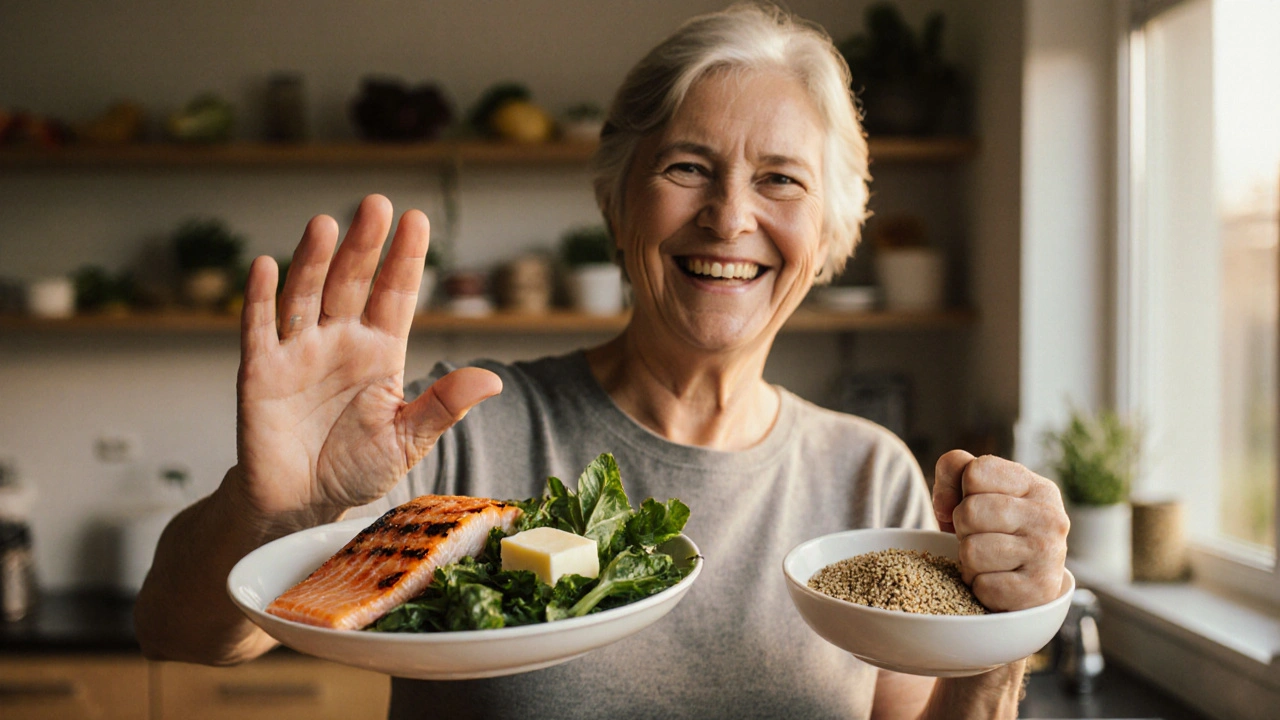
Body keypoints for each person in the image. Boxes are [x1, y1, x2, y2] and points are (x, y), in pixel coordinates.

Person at [134, 4, 1069, 719]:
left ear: (831, 232)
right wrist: (273, 512)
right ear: (619, 203)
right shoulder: (459, 434)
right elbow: (181, 632)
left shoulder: (869, 478)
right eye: (687, 167)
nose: (730, 218)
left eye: (780, 178)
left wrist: (1002, 638)